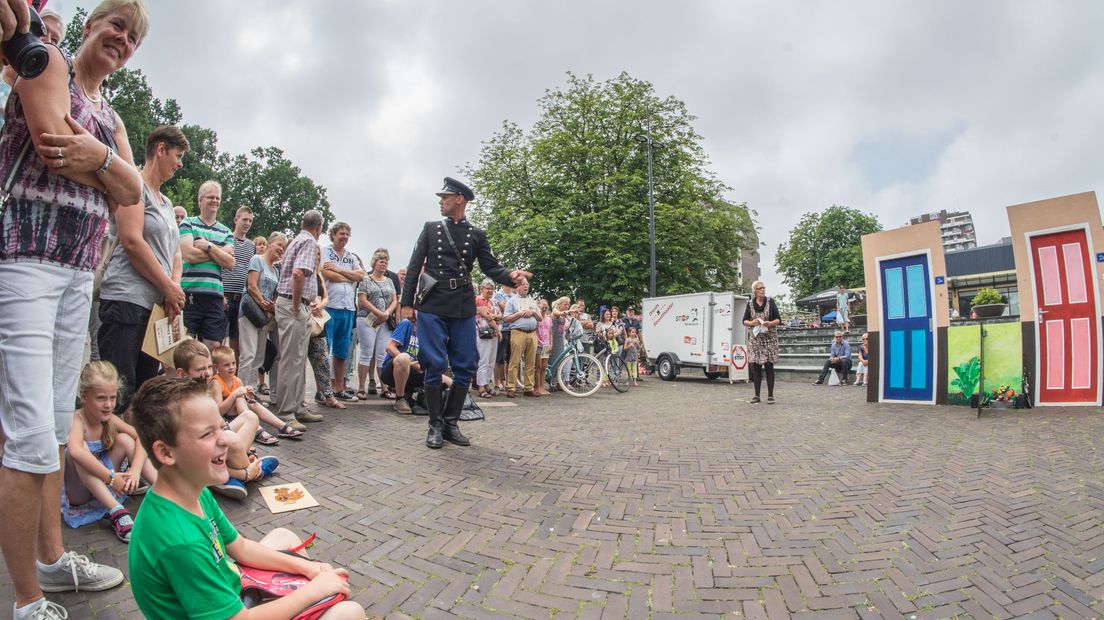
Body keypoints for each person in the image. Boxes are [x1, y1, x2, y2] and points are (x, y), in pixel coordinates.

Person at [0, 1, 149, 616]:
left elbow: (134, 193)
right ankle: (27, 600)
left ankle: (53, 563)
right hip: (26, 261)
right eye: (117, 26)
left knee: (58, 431)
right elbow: (52, 142)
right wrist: (108, 168)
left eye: (135, 38)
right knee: (29, 434)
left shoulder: (111, 115)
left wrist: (106, 164)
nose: (124, 40)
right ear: (91, 24)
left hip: (73, 277)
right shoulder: (48, 63)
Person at [127, 376, 365, 620]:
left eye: (222, 427)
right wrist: (313, 592)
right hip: (235, 612)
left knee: (285, 537)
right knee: (349, 613)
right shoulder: (181, 543)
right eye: (208, 434)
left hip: (231, 593)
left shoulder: (193, 492)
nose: (227, 440)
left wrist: (310, 568)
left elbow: (239, 547)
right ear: (166, 452)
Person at [400, 177, 529, 449]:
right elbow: (413, 267)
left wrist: (510, 274)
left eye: (445, 197)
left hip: (461, 305)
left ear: (459, 199)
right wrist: (407, 303)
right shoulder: (430, 228)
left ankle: (451, 423)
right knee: (434, 363)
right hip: (432, 303)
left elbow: (491, 267)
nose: (441, 201)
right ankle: (434, 425)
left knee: (465, 365)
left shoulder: (476, 234)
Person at [97, 125, 187, 413]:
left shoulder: (167, 202)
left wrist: (174, 287)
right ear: (160, 149)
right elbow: (132, 241)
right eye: (178, 155)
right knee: (118, 392)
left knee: (146, 392)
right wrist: (168, 287)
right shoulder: (133, 185)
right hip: (127, 302)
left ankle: (138, 454)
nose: (180, 164)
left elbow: (175, 252)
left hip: (156, 310)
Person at [62, 361, 157, 544]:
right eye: (101, 398)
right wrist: (111, 478)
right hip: (81, 491)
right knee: (80, 451)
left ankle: (164, 488)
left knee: (126, 440)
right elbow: (74, 451)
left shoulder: (110, 419)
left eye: (112, 398)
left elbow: (140, 437)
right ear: (84, 396)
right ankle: (116, 511)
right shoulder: (77, 419)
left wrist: (135, 470)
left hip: (108, 482)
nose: (108, 405)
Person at [174, 340, 277, 500]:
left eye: (209, 367)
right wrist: (244, 473)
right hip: (198, 461)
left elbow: (221, 426)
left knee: (249, 417)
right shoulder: (183, 402)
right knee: (232, 440)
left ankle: (232, 473)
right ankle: (247, 473)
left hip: (213, 449)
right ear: (181, 373)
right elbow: (194, 458)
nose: (207, 373)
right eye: (200, 369)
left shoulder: (202, 391)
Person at [275, 210, 325, 425]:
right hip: (293, 305)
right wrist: (297, 306)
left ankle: (297, 407)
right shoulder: (309, 243)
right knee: (291, 361)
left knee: (297, 360)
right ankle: (286, 412)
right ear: (319, 227)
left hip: (294, 304)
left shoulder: (296, 240)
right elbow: (298, 273)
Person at [179, 180, 235, 350]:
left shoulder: (226, 231)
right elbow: (188, 254)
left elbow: (231, 263)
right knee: (186, 345)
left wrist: (208, 246)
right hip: (190, 293)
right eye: (210, 197)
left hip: (214, 296)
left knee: (213, 345)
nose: (215, 201)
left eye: (218, 198)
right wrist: (220, 253)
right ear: (200, 200)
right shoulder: (187, 223)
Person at [210, 346, 304, 442]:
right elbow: (219, 411)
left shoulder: (237, 380)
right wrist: (235, 394)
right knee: (239, 399)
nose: (231, 367)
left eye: (233, 363)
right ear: (216, 367)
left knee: (252, 402)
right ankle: (257, 430)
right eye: (226, 365)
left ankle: (282, 426)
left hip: (239, 414)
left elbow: (243, 403)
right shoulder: (216, 382)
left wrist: (249, 396)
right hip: (227, 421)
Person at [321, 221, 364, 400]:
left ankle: (339, 388)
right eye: (341, 233)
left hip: (348, 307)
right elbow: (327, 274)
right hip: (331, 306)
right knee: (325, 349)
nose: (344, 237)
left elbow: (361, 275)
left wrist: (339, 270)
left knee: (342, 350)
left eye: (347, 234)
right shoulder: (326, 251)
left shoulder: (351, 256)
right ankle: (324, 389)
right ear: (334, 234)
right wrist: (349, 276)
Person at [238, 231, 284, 396]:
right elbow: (252, 285)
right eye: (279, 245)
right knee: (248, 355)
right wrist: (264, 305)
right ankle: (240, 394)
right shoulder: (257, 259)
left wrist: (272, 307)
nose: (281, 249)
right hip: (250, 312)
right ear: (270, 243)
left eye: (284, 248)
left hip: (265, 318)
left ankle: (250, 392)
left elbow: (274, 294)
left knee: (258, 357)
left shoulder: (276, 271)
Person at [381, 313, 452, 413]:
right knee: (404, 358)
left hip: (416, 371)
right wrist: (411, 364)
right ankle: (399, 399)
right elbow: (389, 347)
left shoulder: (429, 333)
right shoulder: (406, 324)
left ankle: (426, 399)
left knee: (451, 383)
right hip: (394, 370)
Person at [355, 250, 396, 399]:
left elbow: (394, 300)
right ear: (374, 263)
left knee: (381, 354)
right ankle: (361, 388)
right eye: (381, 261)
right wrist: (378, 313)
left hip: (384, 321)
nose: (384, 264)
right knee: (366, 353)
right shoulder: (366, 279)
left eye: (386, 261)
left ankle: (384, 388)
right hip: (367, 319)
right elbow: (362, 300)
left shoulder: (389, 281)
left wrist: (386, 313)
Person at [221, 206, 256, 360]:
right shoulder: (226, 239)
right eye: (244, 219)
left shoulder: (251, 246)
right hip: (225, 296)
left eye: (250, 220)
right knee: (219, 341)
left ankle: (233, 380)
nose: (247, 223)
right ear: (236, 220)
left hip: (241, 299)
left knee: (237, 343)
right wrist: (220, 293)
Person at [743, 281, 781, 403]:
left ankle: (770, 395)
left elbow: (778, 319)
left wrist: (770, 323)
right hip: (755, 340)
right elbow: (744, 321)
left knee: (769, 365)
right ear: (755, 291)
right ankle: (756, 395)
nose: (763, 290)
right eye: (760, 288)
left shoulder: (770, 301)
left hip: (769, 339)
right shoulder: (750, 304)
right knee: (756, 366)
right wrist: (751, 323)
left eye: (764, 288)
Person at [503, 277, 541, 398]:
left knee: (531, 362)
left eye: (527, 284)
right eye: (523, 284)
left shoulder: (532, 301)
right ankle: (511, 387)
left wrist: (533, 312)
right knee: (514, 361)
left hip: (532, 333)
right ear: (517, 286)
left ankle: (529, 388)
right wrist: (519, 314)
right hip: (518, 332)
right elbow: (506, 318)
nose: (526, 286)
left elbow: (540, 318)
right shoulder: (511, 301)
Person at [475, 279, 501, 398]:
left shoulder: (493, 302)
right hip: (483, 332)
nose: (490, 290)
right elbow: (487, 317)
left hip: (493, 334)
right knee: (483, 360)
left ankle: (486, 385)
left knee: (491, 360)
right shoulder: (479, 299)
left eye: (492, 288)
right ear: (482, 289)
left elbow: (500, 315)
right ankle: (480, 386)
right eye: (488, 288)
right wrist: (498, 330)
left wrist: (493, 316)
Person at [492, 283, 515, 393]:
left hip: (513, 330)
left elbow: (513, 310)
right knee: (500, 357)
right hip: (502, 329)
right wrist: (513, 310)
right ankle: (498, 382)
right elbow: (504, 309)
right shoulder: (498, 295)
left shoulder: (513, 296)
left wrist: (510, 309)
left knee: (511, 358)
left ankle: (508, 383)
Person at [535, 298, 552, 395]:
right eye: (542, 305)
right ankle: (537, 387)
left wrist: (551, 343)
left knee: (544, 367)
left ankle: (542, 386)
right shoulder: (536, 317)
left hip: (546, 344)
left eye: (546, 306)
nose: (544, 307)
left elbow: (550, 332)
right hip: (538, 343)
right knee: (538, 366)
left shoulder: (549, 319)